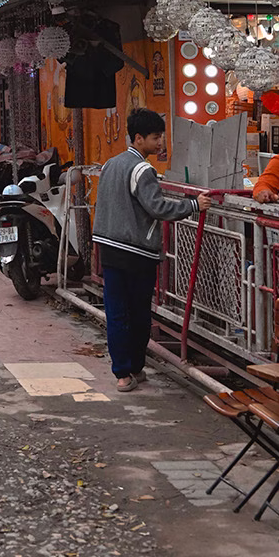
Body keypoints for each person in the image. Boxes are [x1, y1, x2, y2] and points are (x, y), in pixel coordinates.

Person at [92, 108, 210, 393]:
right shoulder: (142, 169)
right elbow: (157, 207)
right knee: (139, 313)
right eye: (156, 138)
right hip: (136, 252)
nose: (160, 143)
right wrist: (193, 205)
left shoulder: (110, 164)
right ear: (139, 138)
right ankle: (134, 366)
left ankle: (122, 373)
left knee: (117, 313)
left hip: (108, 248)